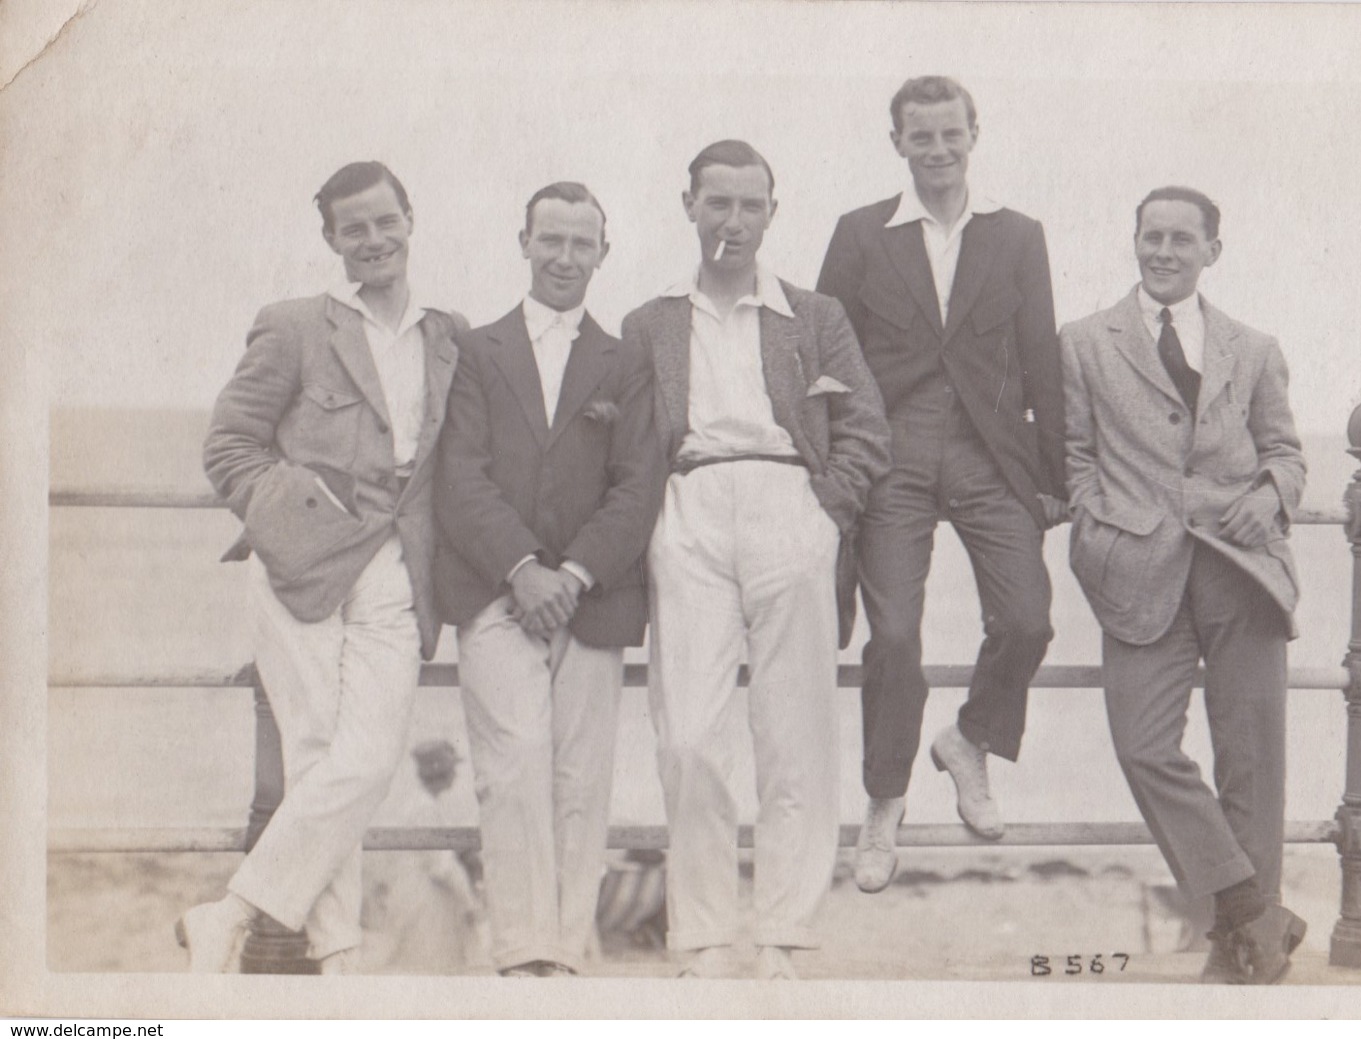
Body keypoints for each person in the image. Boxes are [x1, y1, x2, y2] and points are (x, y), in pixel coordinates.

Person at [621, 140, 890, 979]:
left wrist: (825, 508)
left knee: (794, 731)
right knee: (690, 735)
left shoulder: (815, 316)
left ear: (773, 211)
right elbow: (630, 444)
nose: (732, 221)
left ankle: (783, 933)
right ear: (688, 207)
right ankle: (700, 935)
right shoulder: (649, 321)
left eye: (749, 205)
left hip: (790, 508)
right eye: (716, 204)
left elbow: (867, 429)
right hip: (690, 506)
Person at [187, 161, 464, 973]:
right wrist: (297, 513)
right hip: (301, 565)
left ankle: (231, 910)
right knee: (313, 750)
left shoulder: (446, 334)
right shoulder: (294, 323)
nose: (374, 240)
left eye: (386, 221)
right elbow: (228, 446)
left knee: (368, 754)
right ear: (332, 240)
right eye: (355, 229)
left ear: (410, 218)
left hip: (396, 569)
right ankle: (338, 949)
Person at [816, 75, 1067, 893]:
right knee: (890, 638)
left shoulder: (1017, 235)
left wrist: (1055, 476)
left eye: (949, 134)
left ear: (973, 133)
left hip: (990, 451)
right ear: (897, 143)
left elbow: (1040, 358)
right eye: (919, 137)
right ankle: (884, 801)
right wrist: (831, 470)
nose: (936, 150)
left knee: (1028, 618)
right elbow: (824, 357)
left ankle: (970, 740)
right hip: (890, 451)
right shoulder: (859, 233)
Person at [1059, 186, 1308, 984]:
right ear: (1133, 241)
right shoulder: (1082, 343)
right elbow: (1071, 457)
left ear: (1211, 251)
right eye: (1150, 236)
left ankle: (1240, 951)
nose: (1163, 250)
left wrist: (1267, 497)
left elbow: (1287, 453)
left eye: (1180, 238)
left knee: (1251, 758)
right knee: (1142, 744)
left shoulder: (1254, 347)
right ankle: (1246, 903)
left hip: (1241, 571)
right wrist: (1099, 523)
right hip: (1136, 570)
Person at [433, 181, 663, 977]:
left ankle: (564, 954)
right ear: (523, 242)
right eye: (551, 240)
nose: (565, 257)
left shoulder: (626, 358)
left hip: (592, 597)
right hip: (496, 591)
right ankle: (518, 952)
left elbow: (640, 483)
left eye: (582, 243)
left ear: (604, 251)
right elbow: (458, 474)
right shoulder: (476, 349)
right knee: (512, 763)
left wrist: (574, 572)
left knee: (579, 776)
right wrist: (524, 568)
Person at [360, 740, 487, 974]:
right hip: (424, 903)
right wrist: (468, 901)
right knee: (426, 966)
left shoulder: (422, 804)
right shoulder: (423, 808)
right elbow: (441, 866)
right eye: (452, 769)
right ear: (441, 771)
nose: (455, 775)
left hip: (418, 897)